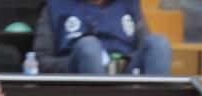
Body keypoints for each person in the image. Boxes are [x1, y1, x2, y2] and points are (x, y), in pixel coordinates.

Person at [32, 0, 172, 75]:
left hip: (125, 72)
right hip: (78, 76)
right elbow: (43, 60)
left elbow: (144, 49)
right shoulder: (55, 5)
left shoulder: (128, 3)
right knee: (89, 46)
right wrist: (83, 60)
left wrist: (121, 63)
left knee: (158, 42)